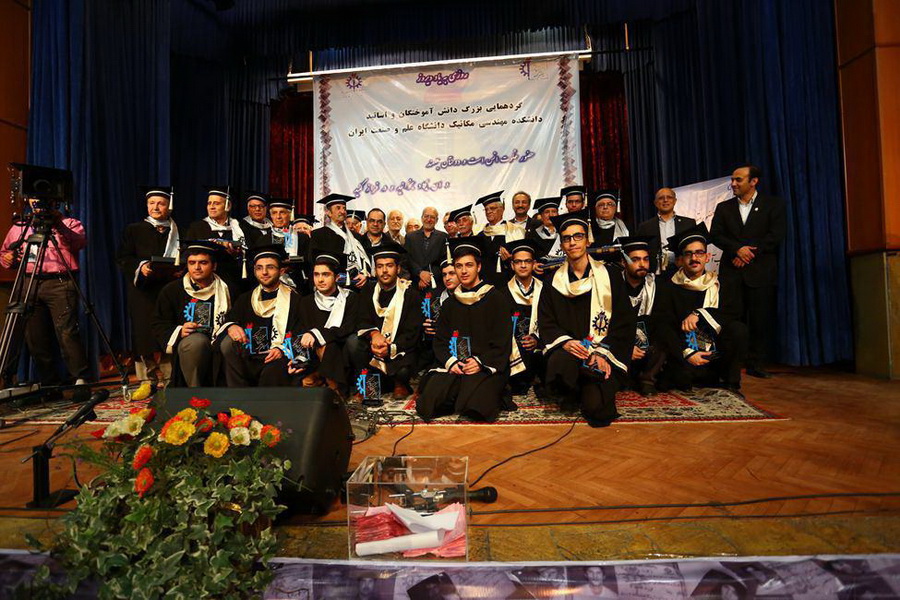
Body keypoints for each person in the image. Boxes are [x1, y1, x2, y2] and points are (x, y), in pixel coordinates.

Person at [538, 209, 635, 427]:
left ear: (587, 239)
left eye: (578, 236)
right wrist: (566, 342)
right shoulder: (553, 281)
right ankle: (574, 386)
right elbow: (546, 321)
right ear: (562, 244)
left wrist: (601, 352)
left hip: (603, 349)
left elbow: (624, 322)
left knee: (597, 412)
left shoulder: (610, 276)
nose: (572, 242)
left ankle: (586, 385)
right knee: (560, 368)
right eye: (566, 238)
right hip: (571, 350)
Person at [416, 237, 512, 422]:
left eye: (469, 265)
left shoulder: (496, 299)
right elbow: (440, 341)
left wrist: (479, 362)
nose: (464, 271)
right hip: (457, 366)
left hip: (485, 365)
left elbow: (502, 342)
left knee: (476, 408)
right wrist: (451, 362)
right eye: (459, 266)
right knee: (427, 405)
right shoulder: (450, 303)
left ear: (479, 267)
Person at [0, 198, 90, 385]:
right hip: (29, 282)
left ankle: (80, 379)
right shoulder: (21, 227)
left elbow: (80, 242)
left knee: (67, 332)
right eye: (34, 197)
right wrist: (8, 258)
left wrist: (57, 224)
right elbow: (5, 254)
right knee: (35, 336)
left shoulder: (69, 224)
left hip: (60, 282)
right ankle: (49, 383)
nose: (38, 202)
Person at [710, 164, 785, 378]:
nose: (733, 184)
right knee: (732, 318)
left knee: (760, 319)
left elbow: (776, 235)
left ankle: (757, 363)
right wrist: (737, 249)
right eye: (732, 179)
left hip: (760, 272)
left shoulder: (773, 205)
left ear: (753, 181)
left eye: (738, 180)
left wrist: (749, 253)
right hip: (732, 272)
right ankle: (732, 362)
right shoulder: (724, 207)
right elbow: (716, 234)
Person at [656, 224, 747, 393]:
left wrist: (699, 313)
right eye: (688, 253)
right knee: (679, 378)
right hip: (684, 353)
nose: (694, 258)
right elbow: (664, 326)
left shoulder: (720, 283)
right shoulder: (668, 287)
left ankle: (731, 383)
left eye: (699, 253)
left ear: (707, 257)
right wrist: (687, 352)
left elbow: (733, 312)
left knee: (738, 329)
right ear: (681, 259)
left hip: (715, 352)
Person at [115, 186, 182, 384]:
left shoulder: (178, 231)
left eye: (161, 203)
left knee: (168, 329)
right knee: (143, 332)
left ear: (169, 206)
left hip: (169, 287)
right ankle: (147, 378)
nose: (156, 207)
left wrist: (181, 269)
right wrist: (141, 266)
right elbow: (123, 257)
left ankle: (169, 376)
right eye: (151, 203)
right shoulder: (134, 230)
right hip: (142, 290)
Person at [152, 241, 234, 387]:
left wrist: (232, 326)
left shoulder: (228, 289)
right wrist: (179, 331)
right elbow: (159, 323)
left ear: (214, 266)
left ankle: (233, 395)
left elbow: (240, 316)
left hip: (222, 340)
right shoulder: (172, 290)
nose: (197, 267)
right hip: (192, 345)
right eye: (192, 263)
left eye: (203, 262)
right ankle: (195, 395)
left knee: (230, 342)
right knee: (196, 342)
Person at [218, 245, 300, 387]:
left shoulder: (295, 299)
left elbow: (300, 331)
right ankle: (237, 396)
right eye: (259, 268)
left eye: (270, 267)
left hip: (276, 357)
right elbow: (230, 319)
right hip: (248, 356)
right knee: (227, 343)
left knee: (274, 369)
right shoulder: (245, 299)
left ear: (281, 271)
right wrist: (232, 326)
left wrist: (282, 349)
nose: (264, 272)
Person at [291, 245, 363, 397]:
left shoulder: (350, 298)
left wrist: (318, 334)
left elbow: (348, 328)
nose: (320, 279)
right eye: (316, 275)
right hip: (315, 355)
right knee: (305, 381)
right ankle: (321, 376)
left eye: (325, 274)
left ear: (336, 277)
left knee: (330, 344)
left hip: (344, 351)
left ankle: (334, 389)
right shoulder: (306, 302)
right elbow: (302, 332)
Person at [356, 241, 422, 401]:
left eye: (389, 266)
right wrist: (374, 334)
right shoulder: (367, 291)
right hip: (373, 348)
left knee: (404, 368)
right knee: (353, 344)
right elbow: (361, 319)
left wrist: (390, 347)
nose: (384, 271)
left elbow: (413, 332)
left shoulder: (410, 294)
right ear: (375, 270)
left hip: (398, 349)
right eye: (380, 266)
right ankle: (368, 383)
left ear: (398, 269)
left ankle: (399, 383)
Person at [618, 236, 667, 396]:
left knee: (665, 333)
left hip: (648, 346)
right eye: (635, 259)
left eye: (645, 259)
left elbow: (662, 322)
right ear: (623, 262)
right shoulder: (612, 284)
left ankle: (647, 380)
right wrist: (627, 347)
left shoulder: (656, 285)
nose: (642, 264)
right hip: (621, 345)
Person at [500, 239, 545, 398]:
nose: (523, 265)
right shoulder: (502, 293)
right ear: (512, 265)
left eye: (527, 261)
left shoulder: (545, 290)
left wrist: (537, 339)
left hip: (540, 346)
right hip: (514, 349)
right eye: (518, 262)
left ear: (534, 264)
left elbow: (552, 322)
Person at [185, 187, 245, 288]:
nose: (211, 207)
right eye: (209, 203)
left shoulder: (239, 228)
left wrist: (236, 255)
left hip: (231, 280)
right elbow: (188, 254)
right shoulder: (197, 227)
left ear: (228, 206)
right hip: (204, 282)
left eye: (216, 203)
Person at [309, 193, 370, 290]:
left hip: (356, 285)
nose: (343, 211)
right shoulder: (318, 235)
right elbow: (312, 263)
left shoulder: (356, 237)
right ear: (328, 212)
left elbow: (364, 259)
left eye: (344, 208)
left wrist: (364, 274)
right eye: (338, 208)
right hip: (330, 286)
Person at [636, 187, 696, 274]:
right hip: (656, 273)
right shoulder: (645, 227)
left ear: (675, 201)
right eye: (661, 198)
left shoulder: (689, 223)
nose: (665, 200)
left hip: (684, 271)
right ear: (656, 203)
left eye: (669, 197)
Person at [475, 190, 525, 286]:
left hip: (509, 282)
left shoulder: (514, 231)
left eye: (492, 208)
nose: (489, 211)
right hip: (485, 284)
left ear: (502, 209)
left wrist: (510, 259)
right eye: (486, 209)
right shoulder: (480, 235)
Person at [405, 206, 449, 292]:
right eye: (426, 216)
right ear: (422, 218)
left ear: (436, 220)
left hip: (436, 283)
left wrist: (429, 276)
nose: (429, 220)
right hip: (414, 283)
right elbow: (407, 259)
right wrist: (420, 273)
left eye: (432, 217)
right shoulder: (410, 237)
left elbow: (443, 260)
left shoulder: (443, 237)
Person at [527, 196, 564, 279]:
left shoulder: (565, 232)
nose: (551, 215)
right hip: (543, 275)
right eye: (547, 212)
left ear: (558, 214)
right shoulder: (532, 234)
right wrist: (533, 264)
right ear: (541, 215)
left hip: (564, 273)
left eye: (554, 211)